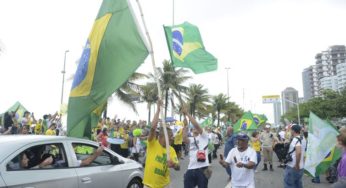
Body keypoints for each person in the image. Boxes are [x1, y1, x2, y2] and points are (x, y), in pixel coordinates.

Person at [143, 100, 180, 188]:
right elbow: (152, 128)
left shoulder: (171, 150)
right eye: (170, 136)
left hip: (165, 185)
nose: (172, 138)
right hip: (149, 185)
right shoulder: (152, 144)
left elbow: (178, 167)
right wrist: (158, 110)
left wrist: (174, 165)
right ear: (161, 136)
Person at [182, 106, 211, 188]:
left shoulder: (204, 136)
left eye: (196, 127)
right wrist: (185, 126)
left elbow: (197, 126)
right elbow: (184, 139)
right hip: (190, 169)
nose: (195, 128)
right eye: (193, 128)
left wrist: (187, 113)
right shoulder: (191, 139)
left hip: (202, 169)